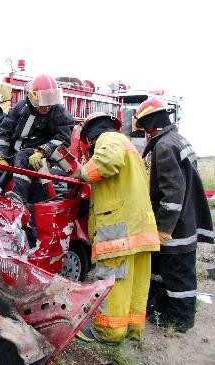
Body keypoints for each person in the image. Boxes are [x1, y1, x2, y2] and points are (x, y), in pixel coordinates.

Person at [74, 112, 160, 343]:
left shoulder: (108, 140)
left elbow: (106, 163)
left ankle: (108, 332)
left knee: (114, 279)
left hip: (118, 227)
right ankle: (132, 329)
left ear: (90, 135)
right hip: (140, 226)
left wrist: (82, 173)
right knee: (137, 281)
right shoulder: (128, 144)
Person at [135, 98, 214, 332]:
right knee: (166, 271)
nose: (145, 133)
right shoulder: (178, 139)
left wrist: (163, 229)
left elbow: (172, 193)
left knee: (178, 274)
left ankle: (180, 321)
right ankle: (163, 309)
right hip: (187, 219)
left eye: (144, 127)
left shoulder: (164, 146)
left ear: (150, 124)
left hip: (176, 228)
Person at [0, 74, 73, 203]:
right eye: (43, 101)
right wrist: (0, 156)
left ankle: (19, 196)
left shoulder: (58, 111)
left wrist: (42, 151)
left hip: (41, 156)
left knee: (22, 156)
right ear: (32, 96)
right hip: (14, 155)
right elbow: (4, 132)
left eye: (50, 101)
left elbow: (64, 137)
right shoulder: (21, 108)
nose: (46, 107)